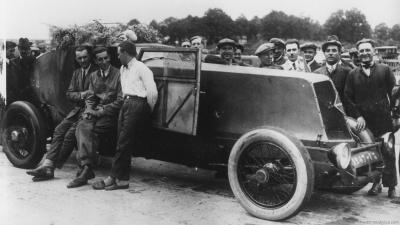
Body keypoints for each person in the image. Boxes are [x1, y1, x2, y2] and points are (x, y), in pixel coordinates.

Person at [92, 41, 157, 190]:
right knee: (121, 143)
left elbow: (152, 93)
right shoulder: (122, 69)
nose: (117, 56)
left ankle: (112, 177)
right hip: (125, 103)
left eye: (119, 53)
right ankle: (123, 181)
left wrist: (146, 109)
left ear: (126, 53)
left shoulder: (142, 68)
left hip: (137, 104)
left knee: (123, 143)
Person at [27, 45, 98, 181]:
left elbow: (93, 95)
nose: (82, 60)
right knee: (59, 130)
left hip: (89, 111)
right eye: (79, 58)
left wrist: (81, 95)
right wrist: (82, 94)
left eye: (85, 57)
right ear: (76, 59)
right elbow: (69, 94)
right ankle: (48, 164)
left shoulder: (96, 72)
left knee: (71, 133)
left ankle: (51, 167)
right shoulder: (77, 73)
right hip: (76, 110)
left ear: (90, 57)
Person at [344, 38, 398, 198]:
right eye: (361, 51)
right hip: (364, 124)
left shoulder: (385, 70)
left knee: (388, 152)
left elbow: (394, 93)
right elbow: (348, 98)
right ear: (358, 54)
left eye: (368, 50)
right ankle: (376, 184)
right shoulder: (352, 74)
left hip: (383, 120)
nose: (365, 53)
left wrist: (394, 114)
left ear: (373, 51)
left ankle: (392, 187)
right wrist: (358, 116)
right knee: (371, 153)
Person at [66, 47, 123, 188]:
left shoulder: (119, 74)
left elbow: (121, 100)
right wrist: (89, 109)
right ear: (96, 61)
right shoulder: (94, 76)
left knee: (90, 129)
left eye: (106, 58)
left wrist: (102, 110)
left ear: (109, 58)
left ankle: (85, 169)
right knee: (82, 124)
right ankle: (87, 168)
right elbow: (90, 97)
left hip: (112, 114)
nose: (104, 61)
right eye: (100, 59)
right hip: (97, 112)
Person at [314, 37, 350, 102]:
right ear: (324, 53)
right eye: (327, 51)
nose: (330, 53)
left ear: (339, 53)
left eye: (334, 50)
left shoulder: (347, 72)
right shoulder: (317, 73)